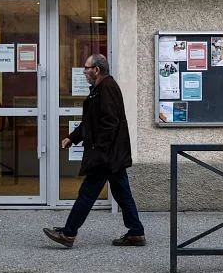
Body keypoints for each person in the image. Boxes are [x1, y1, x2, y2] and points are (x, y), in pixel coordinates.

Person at [43, 54, 146, 248]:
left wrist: (100, 150)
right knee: (122, 192)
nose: (84, 72)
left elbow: (109, 123)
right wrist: (72, 138)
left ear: (96, 70)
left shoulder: (106, 89)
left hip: (106, 156)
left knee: (87, 193)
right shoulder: (100, 89)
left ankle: (68, 233)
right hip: (111, 155)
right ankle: (136, 232)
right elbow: (90, 123)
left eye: (86, 68)